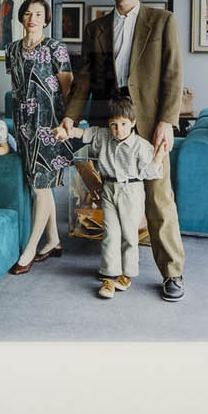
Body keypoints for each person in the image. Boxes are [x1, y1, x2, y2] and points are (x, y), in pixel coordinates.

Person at [61, 0, 188, 302]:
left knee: (159, 200)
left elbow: (173, 76)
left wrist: (167, 121)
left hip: (149, 125)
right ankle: (114, 268)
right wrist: (72, 116)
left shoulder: (162, 21)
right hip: (110, 127)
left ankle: (172, 273)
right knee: (114, 200)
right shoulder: (95, 28)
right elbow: (84, 79)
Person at [2, 0, 78, 274]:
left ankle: (31, 249)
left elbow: (68, 88)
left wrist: (67, 124)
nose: (32, 18)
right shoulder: (11, 49)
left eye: (38, 14)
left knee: (40, 186)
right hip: (23, 124)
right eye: (27, 13)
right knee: (37, 182)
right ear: (21, 18)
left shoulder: (56, 47)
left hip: (50, 124)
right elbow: (18, 86)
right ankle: (54, 241)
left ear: (45, 19)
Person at [66, 96, 158, 298]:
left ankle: (127, 275)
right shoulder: (104, 136)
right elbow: (83, 133)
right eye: (114, 125)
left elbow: (151, 172)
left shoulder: (141, 146)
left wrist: (159, 155)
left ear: (133, 123)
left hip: (131, 191)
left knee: (129, 236)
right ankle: (109, 277)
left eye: (124, 124)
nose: (118, 130)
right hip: (109, 188)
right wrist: (68, 130)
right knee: (110, 234)